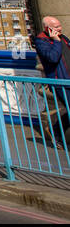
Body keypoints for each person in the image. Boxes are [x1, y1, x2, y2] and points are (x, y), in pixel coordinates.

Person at [35, 15, 70, 150]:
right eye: (56, 27)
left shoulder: (64, 38)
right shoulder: (41, 41)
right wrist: (55, 40)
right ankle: (56, 131)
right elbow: (53, 58)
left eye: (59, 26)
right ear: (47, 28)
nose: (60, 29)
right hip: (60, 81)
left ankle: (56, 129)